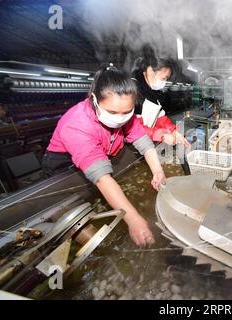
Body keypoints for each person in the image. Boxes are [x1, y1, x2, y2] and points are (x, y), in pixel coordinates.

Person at [42, 64, 165, 247]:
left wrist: (157, 170)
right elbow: (101, 177)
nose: (120, 118)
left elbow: (144, 143)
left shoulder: (126, 117)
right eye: (113, 112)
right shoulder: (77, 124)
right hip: (64, 168)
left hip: (99, 161)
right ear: (94, 99)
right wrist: (133, 220)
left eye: (127, 111)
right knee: (74, 216)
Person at [131, 45, 190, 147]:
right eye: (164, 78)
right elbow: (134, 128)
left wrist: (174, 131)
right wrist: (161, 135)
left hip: (143, 143)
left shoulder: (153, 92)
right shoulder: (133, 90)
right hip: (129, 148)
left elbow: (160, 118)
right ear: (150, 71)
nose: (164, 82)